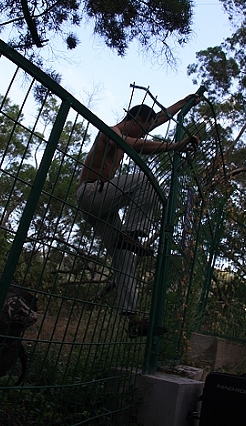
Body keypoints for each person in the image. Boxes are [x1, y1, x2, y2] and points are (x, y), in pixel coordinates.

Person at [76, 94, 199, 337]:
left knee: (125, 259)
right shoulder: (111, 132)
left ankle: (132, 319)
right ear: (136, 120)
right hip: (90, 193)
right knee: (145, 179)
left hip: (103, 207)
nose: (143, 134)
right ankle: (131, 233)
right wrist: (174, 146)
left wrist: (186, 101)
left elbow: (161, 117)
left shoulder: (137, 127)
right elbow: (136, 146)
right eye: (143, 129)